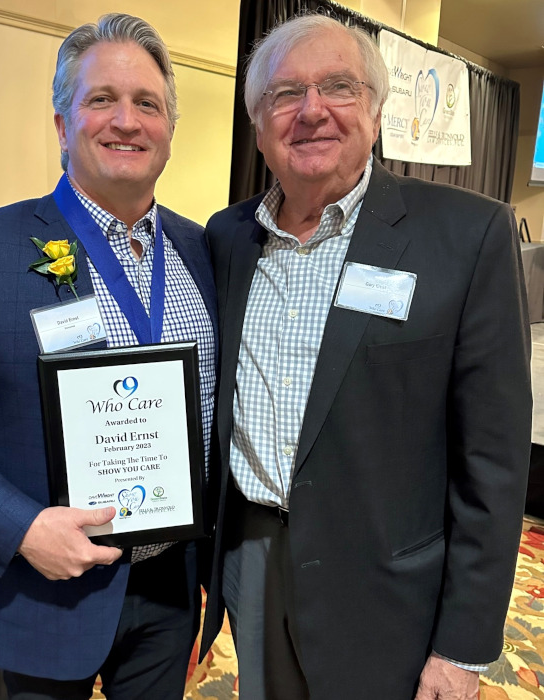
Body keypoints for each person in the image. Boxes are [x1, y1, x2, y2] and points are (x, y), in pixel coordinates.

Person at [0, 13, 217, 700]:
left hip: (171, 588)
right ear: (62, 127)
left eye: (147, 103)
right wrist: (22, 528)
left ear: (169, 130)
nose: (127, 120)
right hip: (42, 589)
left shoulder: (203, 250)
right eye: (101, 100)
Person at [199, 13, 531, 700]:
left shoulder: (466, 236)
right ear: (259, 126)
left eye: (338, 87)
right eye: (285, 94)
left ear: (376, 114)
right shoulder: (226, 239)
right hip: (253, 561)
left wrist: (464, 645)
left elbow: (493, 465)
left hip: (390, 592)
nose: (312, 110)